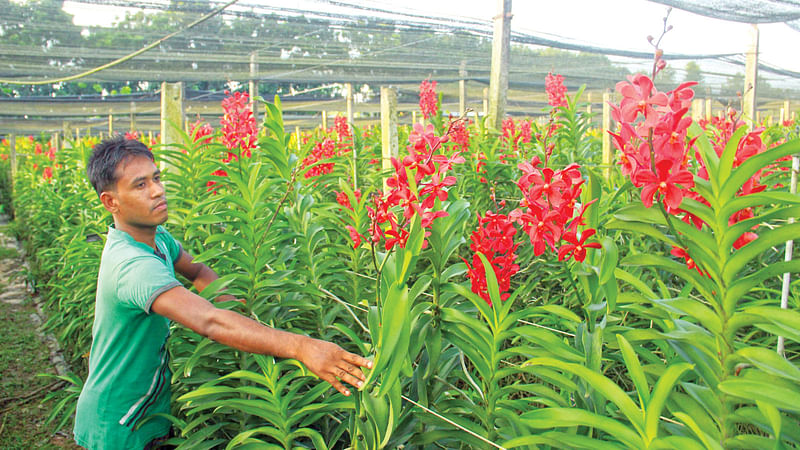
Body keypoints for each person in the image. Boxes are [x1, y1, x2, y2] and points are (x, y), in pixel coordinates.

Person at [73, 137, 371, 449]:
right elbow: (210, 322)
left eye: (157, 178)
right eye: (140, 185)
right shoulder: (132, 266)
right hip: (116, 422)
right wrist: (302, 347)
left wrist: (240, 314)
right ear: (111, 202)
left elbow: (199, 272)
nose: (157, 190)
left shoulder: (155, 238)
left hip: (147, 407)